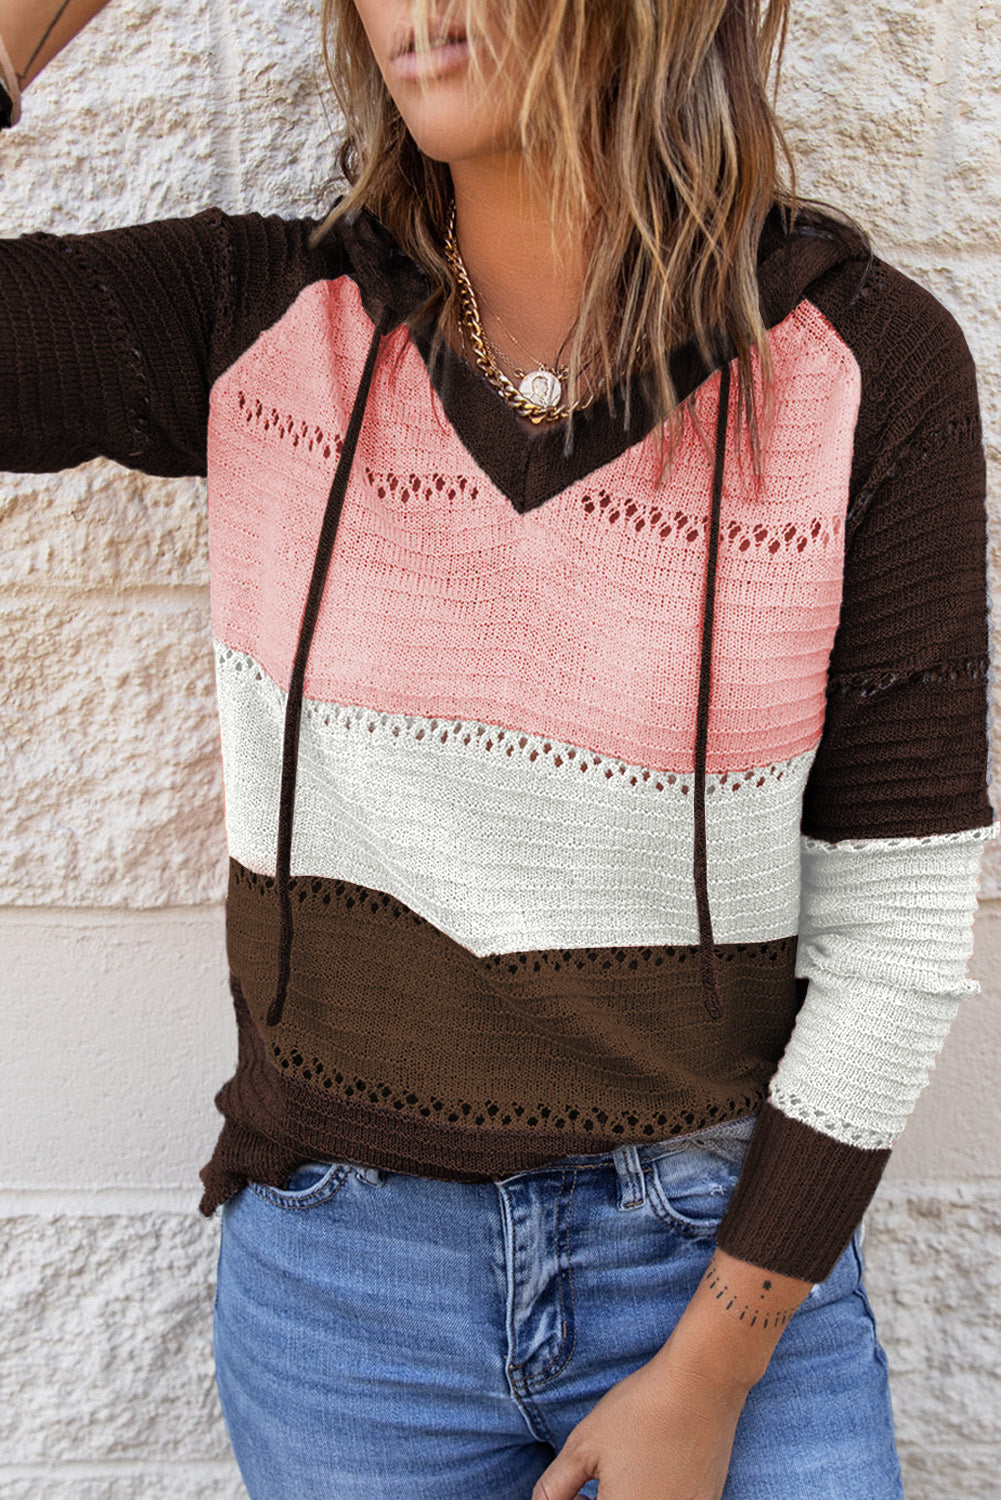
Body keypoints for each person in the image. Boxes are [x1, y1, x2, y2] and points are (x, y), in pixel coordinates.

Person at [1, 2, 993, 1496]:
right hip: (343, 1299)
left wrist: (713, 1364)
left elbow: (894, 926)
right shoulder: (263, 316)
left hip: (722, 1260)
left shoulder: (864, 366)